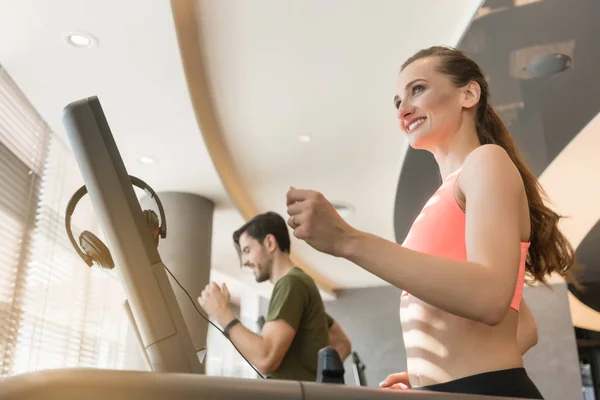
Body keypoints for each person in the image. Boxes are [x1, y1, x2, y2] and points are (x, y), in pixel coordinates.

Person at [284, 46, 579, 399]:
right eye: (397, 102)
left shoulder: (486, 161)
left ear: (468, 94)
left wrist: (348, 240)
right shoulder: (447, 195)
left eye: (417, 89)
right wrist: (434, 372)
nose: (403, 108)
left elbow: (490, 297)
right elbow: (524, 325)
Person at [198, 211, 351, 381]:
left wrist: (221, 312)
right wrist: (320, 381)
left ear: (270, 243)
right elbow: (341, 342)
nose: (244, 262)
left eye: (247, 250)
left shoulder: (291, 283)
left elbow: (265, 358)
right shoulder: (300, 285)